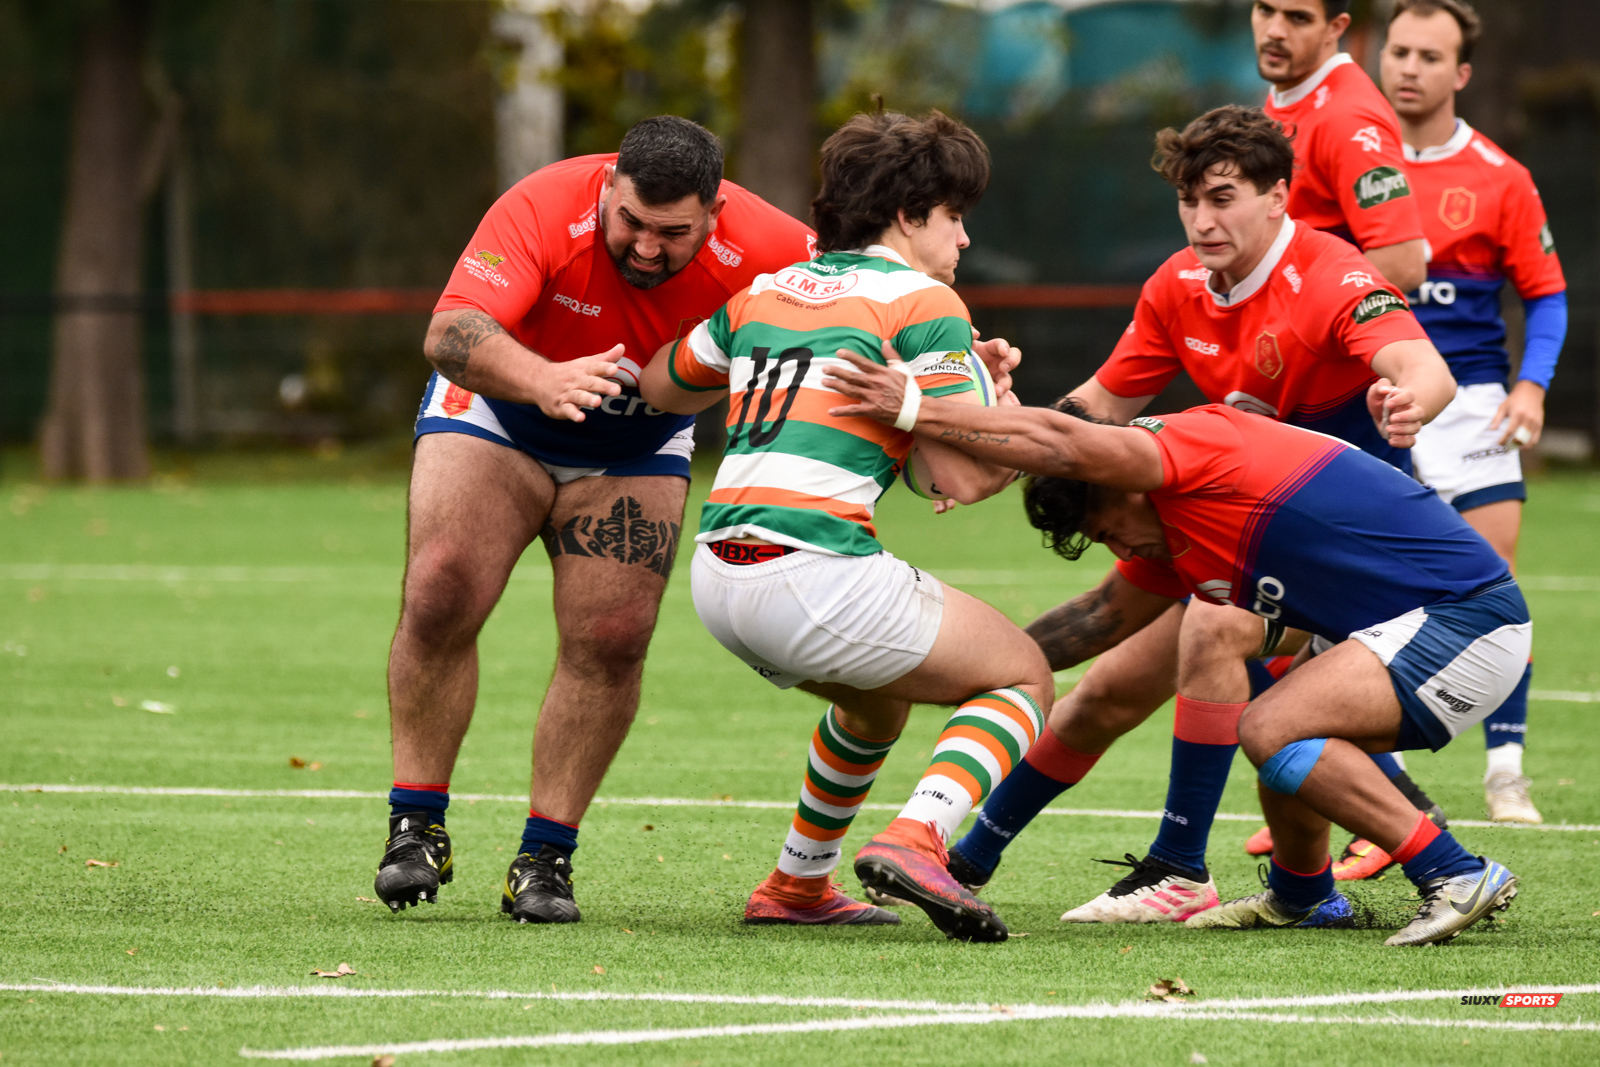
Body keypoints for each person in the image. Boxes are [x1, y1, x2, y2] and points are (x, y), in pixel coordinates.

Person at [942, 105, 1456, 923]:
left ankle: (1181, 866)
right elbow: (1091, 412)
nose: (1202, 220)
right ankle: (960, 861)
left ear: (1279, 196)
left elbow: (1422, 365)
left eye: (1222, 198)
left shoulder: (1330, 274)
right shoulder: (1178, 285)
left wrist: (1408, 399)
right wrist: (986, 440)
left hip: (1349, 555)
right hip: (1238, 532)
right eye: (1189, 200)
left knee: (1215, 627)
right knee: (1107, 687)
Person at [824, 366, 1528, 948]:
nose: (1118, 549)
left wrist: (917, 410)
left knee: (1273, 727)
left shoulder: (1185, 447)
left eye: (1109, 530)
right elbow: (1096, 621)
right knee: (1266, 712)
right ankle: (1303, 896)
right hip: (1412, 629)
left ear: (1122, 481)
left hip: (1466, 620)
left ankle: (1455, 872)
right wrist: (940, 667)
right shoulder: (1173, 526)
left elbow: (1062, 440)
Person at [374, 116, 817, 923]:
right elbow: (450, 332)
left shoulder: (777, 245)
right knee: (441, 590)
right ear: (609, 187)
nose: (647, 248)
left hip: (637, 441)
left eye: (673, 234)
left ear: (715, 213)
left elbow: (872, 304)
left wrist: (963, 368)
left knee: (612, 637)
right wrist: (542, 380)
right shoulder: (543, 204)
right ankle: (417, 826)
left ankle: (545, 858)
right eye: (632, 222)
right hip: (499, 414)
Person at [640, 109, 1050, 943]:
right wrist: (992, 404)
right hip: (813, 568)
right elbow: (963, 477)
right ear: (908, 215)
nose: (964, 238)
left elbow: (660, 385)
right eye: (954, 216)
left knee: (875, 707)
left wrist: (956, 394)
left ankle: (797, 882)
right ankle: (918, 836)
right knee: (1024, 676)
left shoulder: (764, 291)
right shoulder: (925, 301)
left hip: (718, 574)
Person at [1381, 0, 1566, 825]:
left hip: (1477, 407)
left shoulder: (1501, 176)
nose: (1408, 67)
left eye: (1429, 56)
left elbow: (1547, 295)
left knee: (1498, 587)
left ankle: (1506, 772)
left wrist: (1532, 386)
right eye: (1399, 51)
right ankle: (1377, 781)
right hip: (1379, 401)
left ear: (1460, 72)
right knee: (1364, 593)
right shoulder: (1349, 166)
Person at [1256, 0, 1427, 294]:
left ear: (1335, 28)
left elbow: (1402, 265)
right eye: (1265, 9)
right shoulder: (1292, 90)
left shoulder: (1349, 117)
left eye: (1298, 18)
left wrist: (1292, 313)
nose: (1275, 31)